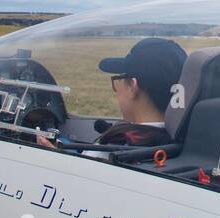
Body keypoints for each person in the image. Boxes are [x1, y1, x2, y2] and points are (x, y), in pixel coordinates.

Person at [38, 37, 187, 150]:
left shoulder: (113, 145)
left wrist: (53, 154)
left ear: (132, 86)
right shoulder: (185, 137)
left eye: (119, 79)